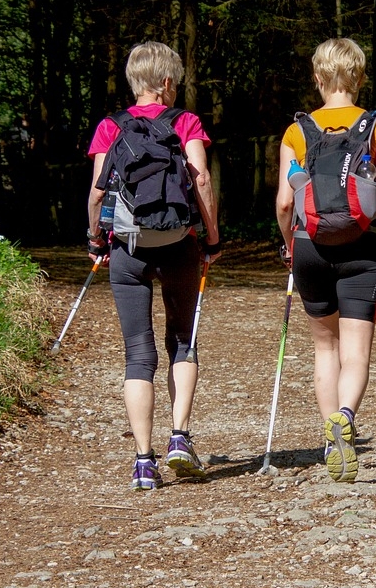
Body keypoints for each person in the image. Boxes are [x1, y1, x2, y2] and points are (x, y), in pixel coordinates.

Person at [275, 38, 376, 483]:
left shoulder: (296, 131)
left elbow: (283, 203)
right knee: (356, 352)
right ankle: (347, 416)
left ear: (317, 79)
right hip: (360, 248)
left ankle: (332, 440)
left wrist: (288, 246)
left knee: (324, 347)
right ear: (359, 78)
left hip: (308, 246)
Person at [86, 41, 222, 491]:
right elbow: (200, 180)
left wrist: (95, 238)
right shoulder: (185, 123)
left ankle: (144, 462)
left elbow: (99, 193)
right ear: (167, 82)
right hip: (179, 243)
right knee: (183, 339)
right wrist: (212, 236)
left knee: (138, 354)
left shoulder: (111, 127)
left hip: (128, 249)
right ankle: (179, 437)